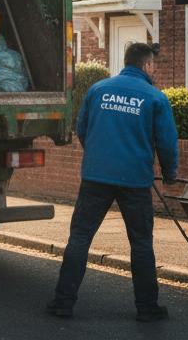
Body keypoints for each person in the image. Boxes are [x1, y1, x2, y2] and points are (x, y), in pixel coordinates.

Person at [47, 42, 178, 322]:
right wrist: (170, 174)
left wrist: (98, 157)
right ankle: (146, 307)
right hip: (135, 181)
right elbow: (167, 143)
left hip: (96, 178)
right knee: (141, 243)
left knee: (80, 238)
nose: (154, 69)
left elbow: (82, 128)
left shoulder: (98, 89)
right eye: (154, 64)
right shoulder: (155, 98)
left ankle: (63, 302)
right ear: (147, 66)